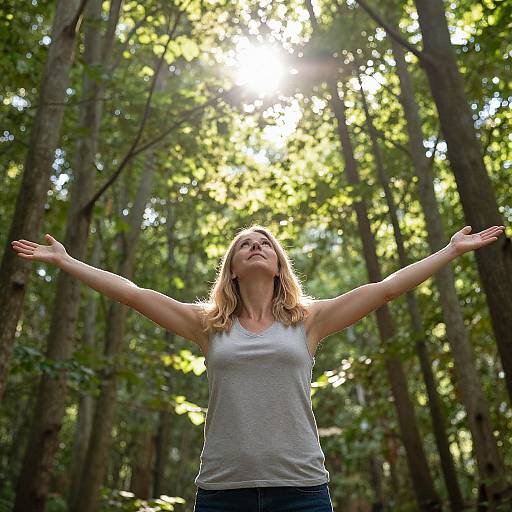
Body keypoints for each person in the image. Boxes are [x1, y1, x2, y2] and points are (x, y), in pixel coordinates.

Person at [11, 222, 505, 511]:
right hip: (223, 491)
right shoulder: (207, 324)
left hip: (303, 490)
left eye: (264, 242)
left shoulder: (309, 319)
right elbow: (134, 294)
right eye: (244, 243)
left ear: (278, 265)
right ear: (230, 267)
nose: (255, 245)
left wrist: (449, 251)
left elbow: (386, 289)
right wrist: (67, 262)